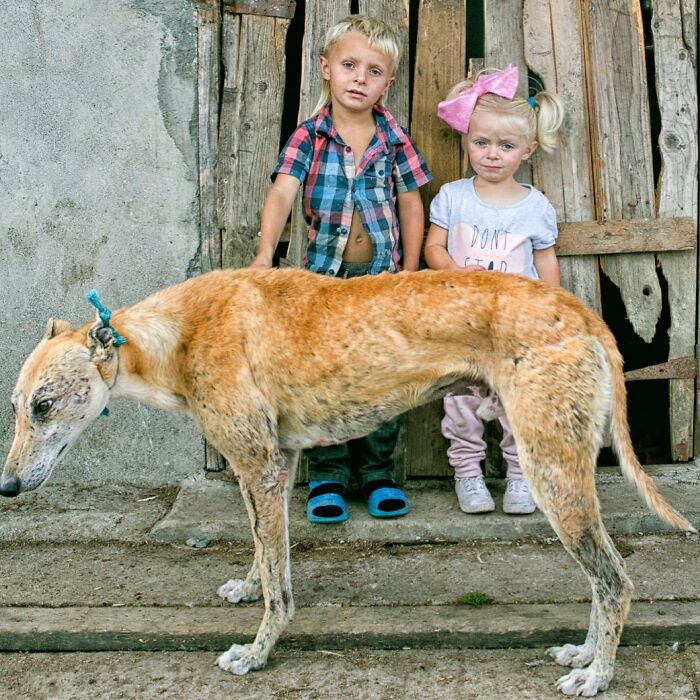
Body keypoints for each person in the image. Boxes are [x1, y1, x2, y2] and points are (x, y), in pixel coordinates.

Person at [249, 15, 432, 523]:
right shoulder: (310, 136)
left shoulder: (393, 138)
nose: (359, 78)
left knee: (383, 378)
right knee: (320, 379)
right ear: (326, 68)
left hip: (379, 282)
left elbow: (411, 203)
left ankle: (378, 475)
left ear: (387, 83)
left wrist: (410, 269)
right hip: (322, 285)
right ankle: (326, 476)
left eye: (374, 71)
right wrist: (266, 254)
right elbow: (283, 191)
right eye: (350, 65)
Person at [424, 64, 564, 515]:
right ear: (466, 139)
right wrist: (460, 277)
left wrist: (552, 311)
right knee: (461, 404)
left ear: (528, 149)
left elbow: (544, 261)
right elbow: (433, 247)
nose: (491, 154)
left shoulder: (536, 207)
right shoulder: (454, 197)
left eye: (505, 146)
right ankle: (468, 475)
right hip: (463, 326)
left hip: (515, 328)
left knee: (517, 404)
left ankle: (520, 478)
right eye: (481, 142)